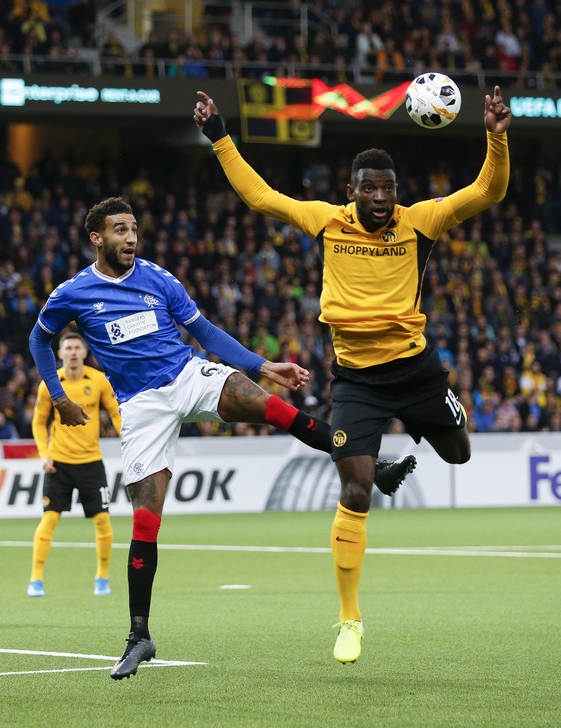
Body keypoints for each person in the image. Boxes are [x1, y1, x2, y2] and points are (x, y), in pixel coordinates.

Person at [28, 197, 415, 680]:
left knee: (268, 404)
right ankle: (139, 636)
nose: (130, 238)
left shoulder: (159, 279)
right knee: (146, 520)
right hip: (142, 407)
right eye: (120, 230)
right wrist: (60, 395)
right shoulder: (73, 293)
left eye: (134, 229)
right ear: (97, 239)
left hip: (187, 374)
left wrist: (262, 365)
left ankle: (370, 467)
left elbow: (203, 330)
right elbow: (37, 340)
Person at [193, 85, 511, 664]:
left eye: (388, 188)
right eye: (370, 188)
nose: (381, 197)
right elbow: (261, 197)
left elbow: (488, 190)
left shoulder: (422, 223)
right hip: (358, 380)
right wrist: (220, 138)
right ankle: (349, 620)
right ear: (353, 192)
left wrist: (495, 136)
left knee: (460, 454)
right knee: (356, 489)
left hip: (416, 372)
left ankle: (440, 411)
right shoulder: (326, 223)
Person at [28, 330, 121, 598]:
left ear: (84, 352)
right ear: (59, 354)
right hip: (59, 463)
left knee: (103, 521)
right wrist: (44, 453)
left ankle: (102, 578)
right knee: (49, 520)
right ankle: (36, 579)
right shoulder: (49, 383)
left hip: (91, 462)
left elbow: (115, 413)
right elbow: (38, 422)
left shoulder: (99, 380)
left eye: (76, 348)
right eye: (67, 348)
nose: (71, 352)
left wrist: (127, 439)